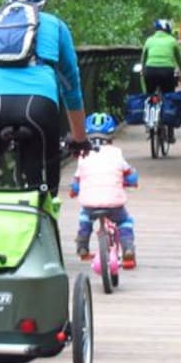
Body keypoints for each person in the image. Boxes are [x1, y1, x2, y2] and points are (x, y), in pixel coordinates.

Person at [0, 0, 90, 193]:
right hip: (39, 105)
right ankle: (44, 204)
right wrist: (79, 138)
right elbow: (72, 87)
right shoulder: (55, 25)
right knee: (46, 166)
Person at [69, 112, 139, 269]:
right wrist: (132, 181)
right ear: (111, 136)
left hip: (90, 204)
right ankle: (127, 249)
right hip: (114, 204)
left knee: (85, 216)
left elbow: (76, 184)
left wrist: (73, 191)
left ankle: (82, 245)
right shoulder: (116, 153)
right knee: (124, 221)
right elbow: (131, 176)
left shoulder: (83, 155)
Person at [140, 18, 181, 142]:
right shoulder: (172, 41)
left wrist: (143, 70)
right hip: (167, 72)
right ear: (168, 30)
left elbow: (143, 58)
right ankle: (170, 132)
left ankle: (149, 123)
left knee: (150, 96)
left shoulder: (149, 40)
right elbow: (179, 60)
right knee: (169, 97)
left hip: (150, 72)